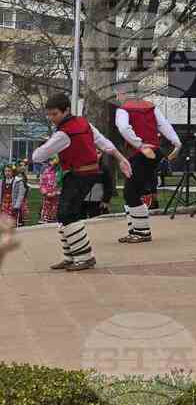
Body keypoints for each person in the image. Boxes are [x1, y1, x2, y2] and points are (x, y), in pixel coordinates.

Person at [31, 93, 132, 272]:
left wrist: (49, 144)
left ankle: (84, 257)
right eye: (49, 114)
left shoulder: (63, 133)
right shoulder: (85, 123)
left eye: (54, 114)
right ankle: (71, 256)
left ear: (66, 110)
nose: (52, 118)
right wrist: (121, 158)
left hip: (78, 175)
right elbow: (104, 143)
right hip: (87, 173)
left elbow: (37, 156)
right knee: (66, 213)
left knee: (67, 213)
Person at [114, 84, 182, 244]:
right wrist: (176, 142)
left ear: (124, 94)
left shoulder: (123, 110)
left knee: (130, 193)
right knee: (134, 192)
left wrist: (140, 144)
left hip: (141, 153)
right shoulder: (151, 107)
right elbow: (164, 125)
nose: (117, 98)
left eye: (117, 94)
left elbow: (123, 128)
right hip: (154, 153)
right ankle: (135, 229)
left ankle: (142, 232)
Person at [39, 159, 61, 223]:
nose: (53, 163)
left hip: (57, 198)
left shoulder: (61, 172)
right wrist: (45, 193)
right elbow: (42, 183)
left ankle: (55, 219)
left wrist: (57, 192)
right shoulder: (46, 171)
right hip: (47, 197)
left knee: (56, 211)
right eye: (51, 160)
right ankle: (45, 219)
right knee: (46, 210)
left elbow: (63, 184)